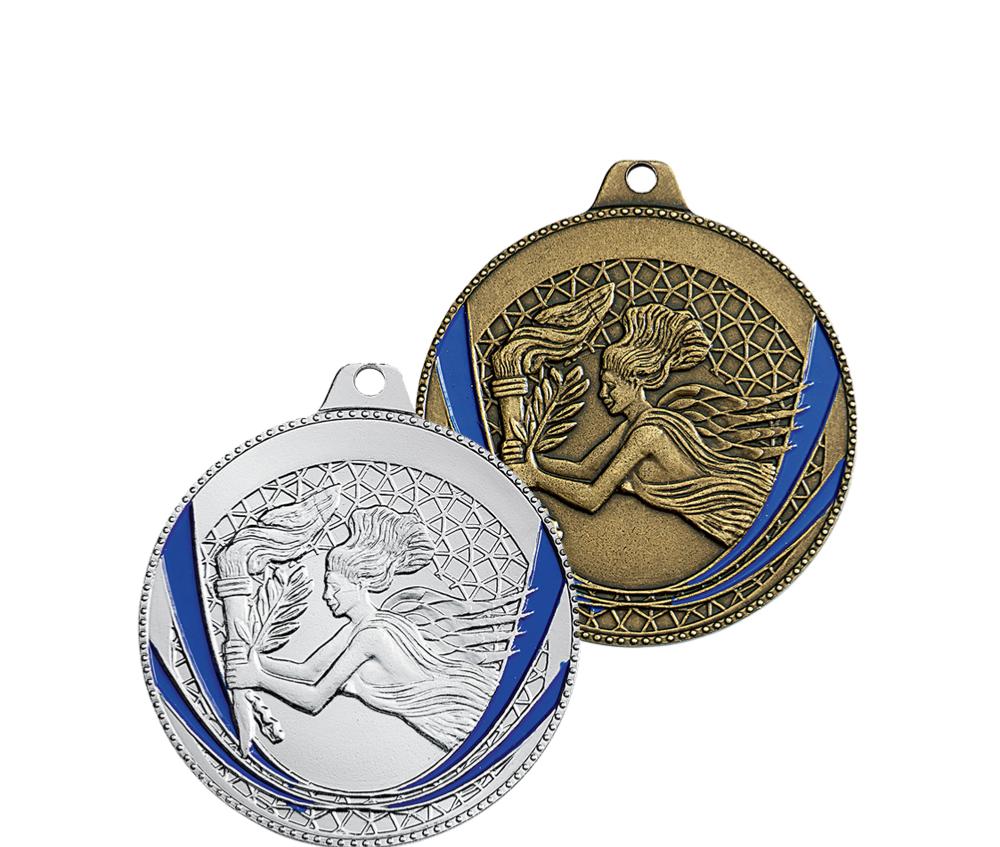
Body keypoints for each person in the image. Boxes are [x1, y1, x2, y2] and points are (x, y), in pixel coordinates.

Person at [227, 506, 518, 750]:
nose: (326, 596)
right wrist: (257, 661)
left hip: (458, 720)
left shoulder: (372, 635)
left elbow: (314, 699)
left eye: (334, 587)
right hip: (445, 727)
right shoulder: (356, 629)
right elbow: (309, 671)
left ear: (361, 583)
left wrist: (258, 679)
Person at [510, 304, 788, 546]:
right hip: (720, 523)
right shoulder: (631, 427)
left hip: (739, 517)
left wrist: (536, 478)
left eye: (611, 385)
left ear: (634, 382)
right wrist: (533, 460)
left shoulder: (647, 434)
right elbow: (585, 469)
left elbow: (592, 498)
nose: (603, 394)